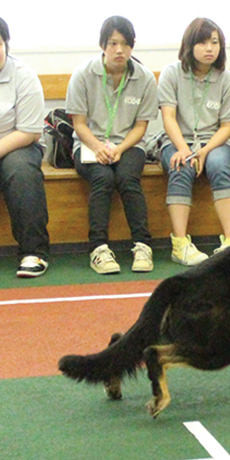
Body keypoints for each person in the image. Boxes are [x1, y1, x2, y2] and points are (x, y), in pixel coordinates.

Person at [66, 16, 158, 274]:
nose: (120, 50)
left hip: (129, 145)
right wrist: (98, 147)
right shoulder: (83, 75)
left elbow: (141, 127)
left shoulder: (145, 78)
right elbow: (79, 124)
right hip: (87, 144)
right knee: (103, 179)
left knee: (128, 178)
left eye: (126, 44)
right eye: (113, 43)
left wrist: (119, 148)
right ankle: (98, 248)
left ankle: (142, 244)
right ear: (102, 45)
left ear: (132, 46)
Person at [0, 12, 50, 277]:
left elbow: (29, 132)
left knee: (22, 170)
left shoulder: (23, 76)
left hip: (14, 149)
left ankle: (33, 252)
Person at [158, 18, 230, 264]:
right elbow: (168, 117)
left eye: (214, 42)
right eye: (203, 42)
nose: (209, 48)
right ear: (189, 45)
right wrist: (184, 149)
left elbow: (227, 126)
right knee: (180, 165)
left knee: (219, 166)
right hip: (176, 139)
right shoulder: (172, 73)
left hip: (214, 142)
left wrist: (204, 151)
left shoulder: (227, 79)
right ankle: (180, 243)